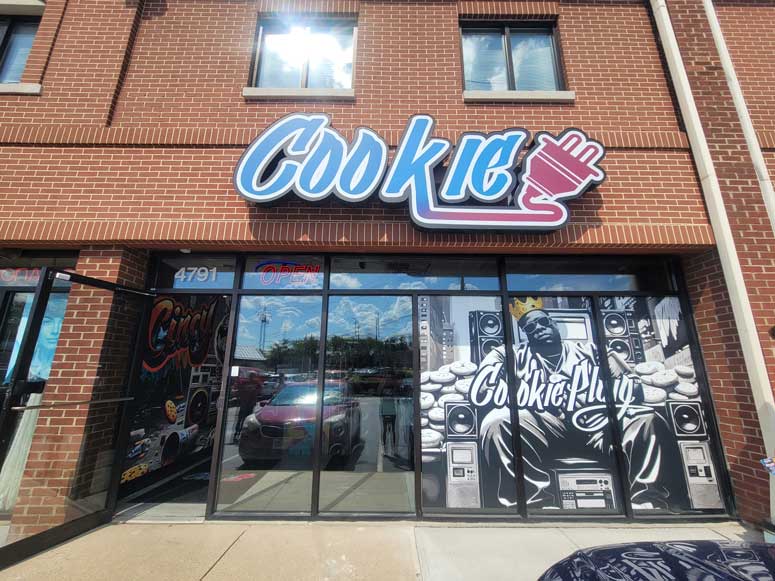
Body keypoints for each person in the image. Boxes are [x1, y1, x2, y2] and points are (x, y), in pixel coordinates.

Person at [478, 297, 686, 511]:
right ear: (525, 334)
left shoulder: (592, 351)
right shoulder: (513, 355)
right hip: (546, 427)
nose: (538, 329)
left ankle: (646, 500)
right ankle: (532, 503)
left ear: (555, 324)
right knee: (497, 421)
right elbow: (483, 385)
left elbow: (629, 386)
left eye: (543, 322)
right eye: (530, 327)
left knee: (645, 418)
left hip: (597, 425)